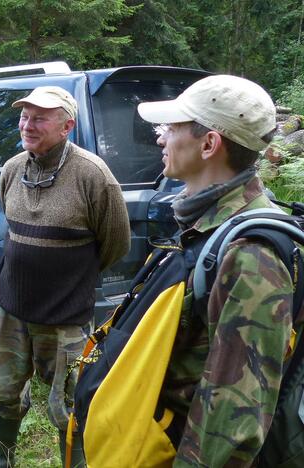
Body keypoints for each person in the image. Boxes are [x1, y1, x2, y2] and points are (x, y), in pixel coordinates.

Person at [132, 75, 291, 465]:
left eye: (170, 128)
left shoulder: (252, 254)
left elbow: (232, 423)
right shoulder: (210, 222)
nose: (160, 139)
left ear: (209, 144)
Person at [0, 86, 130, 467]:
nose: (28, 125)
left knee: (70, 401)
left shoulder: (94, 175)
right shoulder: (13, 168)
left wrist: (69, 278)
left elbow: (116, 244)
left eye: (40, 118)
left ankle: (76, 462)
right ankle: (2, 456)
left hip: (65, 317)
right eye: (24, 116)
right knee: (2, 391)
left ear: (67, 126)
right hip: (11, 309)